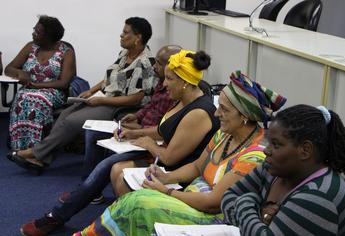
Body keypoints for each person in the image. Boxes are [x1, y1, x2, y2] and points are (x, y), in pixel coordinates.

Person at [20, 49, 221, 236]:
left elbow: (170, 158)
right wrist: (133, 134)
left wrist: (146, 142)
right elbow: (162, 131)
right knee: (113, 167)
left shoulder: (198, 113)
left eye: (169, 79)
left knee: (108, 166)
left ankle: (60, 215)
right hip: (160, 154)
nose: (164, 84)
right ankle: (119, 218)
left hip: (175, 170)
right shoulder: (184, 97)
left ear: (185, 82)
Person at [71, 71, 286, 236]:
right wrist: (166, 177)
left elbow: (213, 203)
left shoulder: (254, 155)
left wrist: (166, 192)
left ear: (245, 117)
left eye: (224, 110)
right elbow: (196, 167)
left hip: (212, 218)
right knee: (136, 201)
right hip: (193, 200)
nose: (217, 113)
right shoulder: (225, 134)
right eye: (218, 106)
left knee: (137, 204)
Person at [7, 17, 157, 173]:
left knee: (72, 121)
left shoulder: (145, 63)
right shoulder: (125, 53)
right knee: (65, 113)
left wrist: (99, 100)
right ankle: (41, 159)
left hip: (121, 106)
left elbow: (136, 98)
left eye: (125, 33)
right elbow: (110, 78)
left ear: (138, 37)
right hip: (106, 98)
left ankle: (35, 153)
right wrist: (91, 91)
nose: (121, 35)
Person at [221, 104, 345, 235]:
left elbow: (238, 202)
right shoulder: (272, 169)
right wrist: (259, 215)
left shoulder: (317, 196)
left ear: (305, 150)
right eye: (268, 142)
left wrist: (245, 203)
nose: (267, 150)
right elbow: (228, 198)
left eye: (276, 144)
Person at [80, 45, 180, 181]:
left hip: (149, 138)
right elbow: (151, 104)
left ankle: (89, 186)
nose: (154, 66)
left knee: (108, 164)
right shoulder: (161, 82)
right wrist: (136, 116)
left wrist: (138, 129)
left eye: (159, 63)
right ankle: (87, 180)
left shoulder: (175, 94)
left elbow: (163, 129)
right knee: (92, 133)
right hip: (139, 129)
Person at [5, 15, 76, 150]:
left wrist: (37, 85)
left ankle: (35, 149)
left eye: (38, 32)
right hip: (28, 90)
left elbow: (64, 83)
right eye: (34, 29)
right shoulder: (30, 47)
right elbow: (9, 68)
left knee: (37, 100)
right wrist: (19, 73)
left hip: (54, 92)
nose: (33, 33)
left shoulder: (66, 52)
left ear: (48, 36)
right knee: (22, 97)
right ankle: (19, 145)